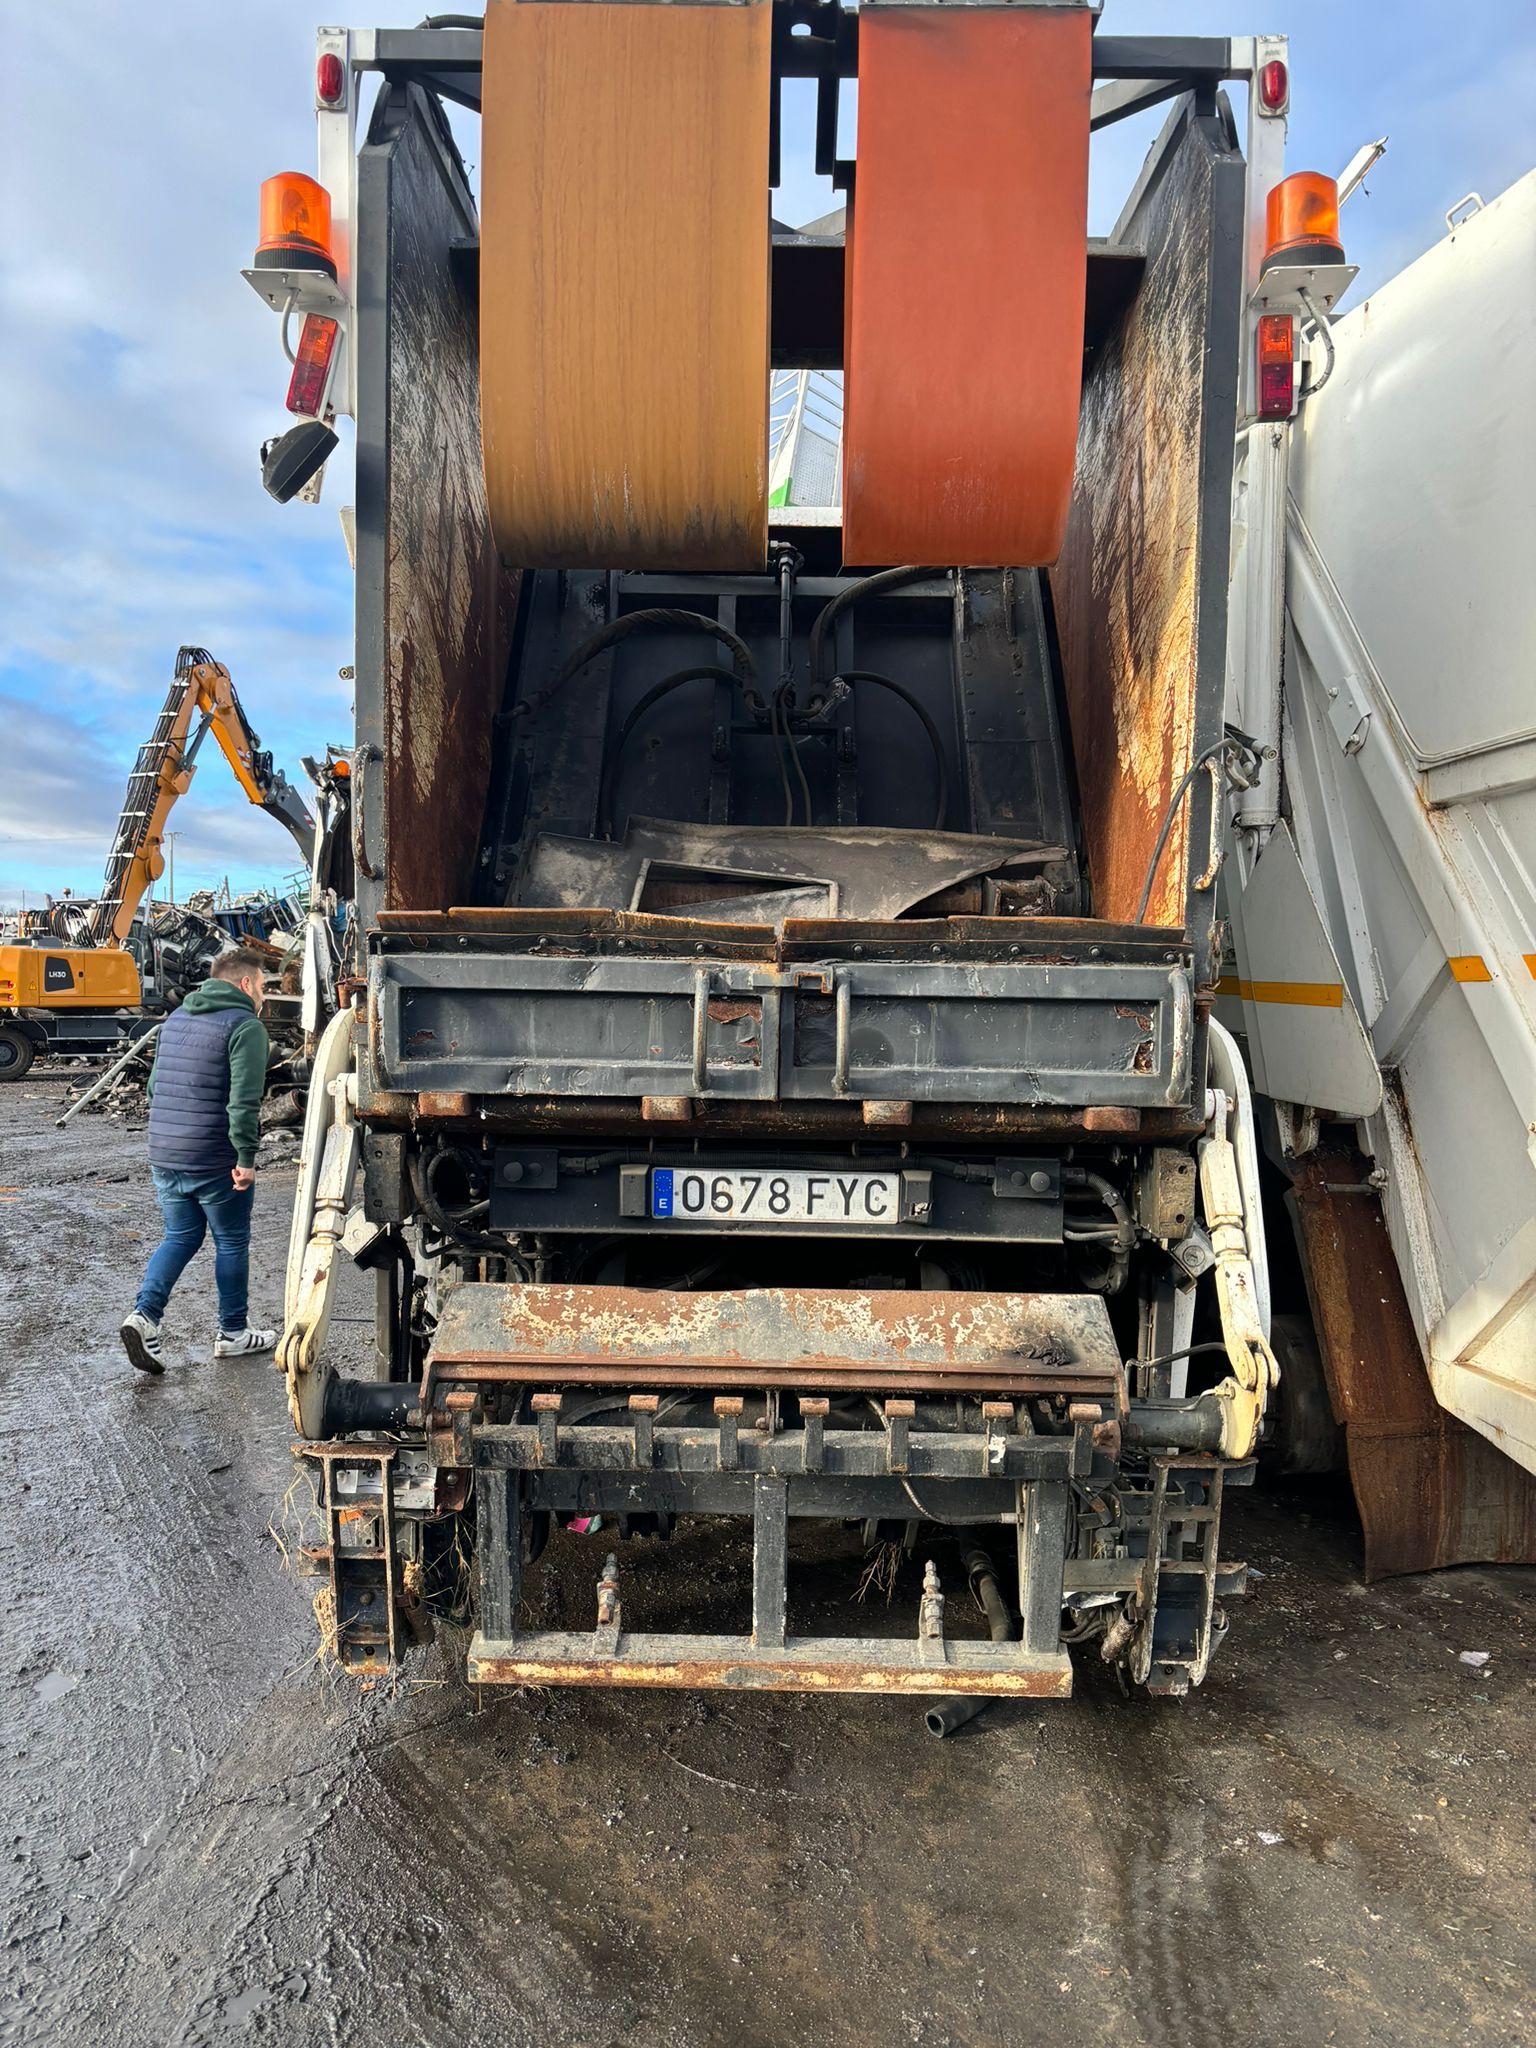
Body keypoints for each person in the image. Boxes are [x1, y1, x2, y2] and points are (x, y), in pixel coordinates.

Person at [119, 945, 279, 1373]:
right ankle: (233, 1333)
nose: (264, 994)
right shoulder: (246, 1027)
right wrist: (246, 1157)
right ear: (246, 983)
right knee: (231, 1240)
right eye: (263, 985)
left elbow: (154, 1089)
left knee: (180, 1236)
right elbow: (243, 1103)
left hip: (165, 1152)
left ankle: (144, 1317)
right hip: (213, 1158)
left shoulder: (176, 1019)